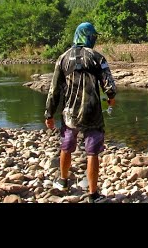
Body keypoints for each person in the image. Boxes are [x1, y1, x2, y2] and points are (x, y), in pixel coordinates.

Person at [44, 22, 116, 203]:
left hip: (70, 113)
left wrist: (49, 114)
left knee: (66, 146)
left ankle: (63, 181)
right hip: (92, 112)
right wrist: (111, 98)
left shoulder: (62, 58)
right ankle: (93, 194)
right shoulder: (97, 57)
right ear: (89, 37)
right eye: (93, 37)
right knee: (92, 153)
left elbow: (54, 90)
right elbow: (109, 84)